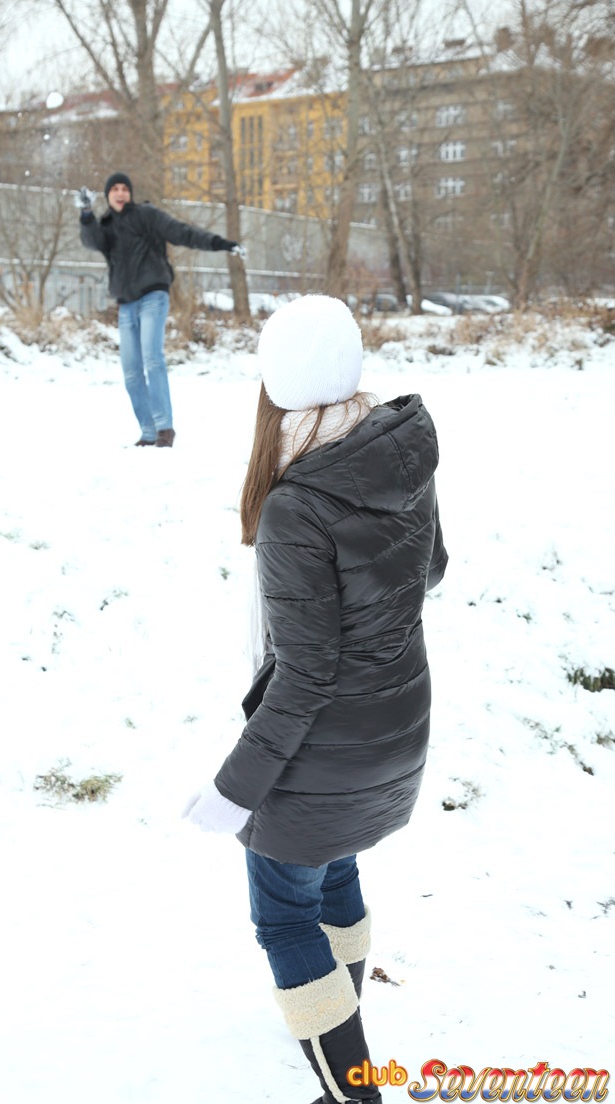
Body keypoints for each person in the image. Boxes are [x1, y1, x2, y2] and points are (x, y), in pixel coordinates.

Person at [183, 294, 448, 1104]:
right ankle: (341, 1030)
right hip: (393, 729)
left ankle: (352, 1090)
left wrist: (233, 791)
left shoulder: (299, 502)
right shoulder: (393, 455)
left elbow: (305, 675)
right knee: (331, 877)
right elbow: (430, 569)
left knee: (285, 915)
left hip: (320, 753)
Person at [76, 171, 244, 448]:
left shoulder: (146, 215)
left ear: (130, 193)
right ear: (108, 196)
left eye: (124, 188)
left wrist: (221, 244)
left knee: (152, 358)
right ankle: (149, 431)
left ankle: (165, 428)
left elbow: (181, 232)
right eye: (114, 189)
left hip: (153, 295)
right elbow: (91, 241)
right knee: (131, 370)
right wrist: (85, 212)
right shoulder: (105, 225)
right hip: (126, 304)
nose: (120, 193)